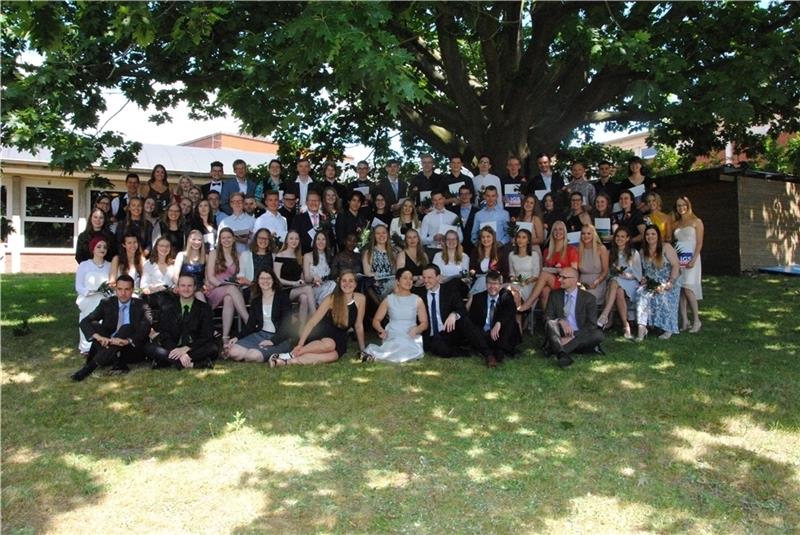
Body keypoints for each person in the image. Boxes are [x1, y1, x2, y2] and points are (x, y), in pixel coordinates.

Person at [270, 271, 366, 366]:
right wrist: (300, 343)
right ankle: (292, 354)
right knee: (330, 344)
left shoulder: (361, 299)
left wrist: (363, 350)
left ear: (355, 284)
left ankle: (286, 362)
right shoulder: (331, 299)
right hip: (322, 334)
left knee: (332, 356)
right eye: (344, 281)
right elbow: (312, 322)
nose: (347, 284)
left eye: (351, 281)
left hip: (339, 338)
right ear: (339, 283)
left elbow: (358, 325)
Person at [71, 274, 152, 381]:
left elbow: (145, 329)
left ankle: (89, 368)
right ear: (115, 289)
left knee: (126, 327)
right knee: (94, 324)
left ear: (132, 290)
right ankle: (117, 362)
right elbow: (85, 321)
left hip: (130, 348)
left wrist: (126, 341)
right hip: (107, 343)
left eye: (127, 289)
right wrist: (98, 337)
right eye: (120, 289)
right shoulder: (107, 303)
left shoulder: (142, 305)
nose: (123, 293)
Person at [420, 264, 500, 367]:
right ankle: (467, 351)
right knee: (439, 348)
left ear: (438, 278)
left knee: (464, 320)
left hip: (450, 329)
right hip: (432, 335)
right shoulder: (420, 294)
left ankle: (488, 355)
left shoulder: (449, 291)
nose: (426, 280)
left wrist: (454, 314)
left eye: (429, 277)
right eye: (424, 277)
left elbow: (462, 309)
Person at [145, 275, 217, 370]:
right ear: (178, 288)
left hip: (194, 347)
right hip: (173, 346)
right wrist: (176, 350)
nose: (186, 289)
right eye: (183, 286)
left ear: (195, 287)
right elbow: (164, 334)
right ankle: (194, 364)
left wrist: (187, 348)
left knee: (212, 348)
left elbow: (206, 335)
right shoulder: (168, 308)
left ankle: (168, 362)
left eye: (189, 286)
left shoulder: (205, 308)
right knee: (149, 348)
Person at [226, 269, 294, 362]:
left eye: (268, 278)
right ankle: (255, 350)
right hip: (260, 334)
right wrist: (237, 337)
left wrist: (273, 341)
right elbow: (250, 325)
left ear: (273, 280)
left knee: (252, 356)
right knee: (233, 352)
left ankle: (258, 352)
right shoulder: (256, 301)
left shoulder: (282, 298)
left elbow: (287, 325)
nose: (265, 281)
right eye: (262, 278)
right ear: (257, 281)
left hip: (280, 337)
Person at [362, 268, 428, 363]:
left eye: (410, 278)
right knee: (397, 343)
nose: (408, 281)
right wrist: (381, 330)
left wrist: (416, 329)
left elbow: (424, 323)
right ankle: (378, 354)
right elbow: (376, 320)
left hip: (410, 333)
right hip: (393, 333)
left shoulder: (417, 300)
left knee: (408, 346)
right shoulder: (389, 299)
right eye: (405, 278)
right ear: (397, 281)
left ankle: (376, 357)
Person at [543, 267, 604, 368]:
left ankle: (558, 349)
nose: (559, 280)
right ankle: (563, 352)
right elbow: (547, 316)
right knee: (551, 323)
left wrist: (573, 336)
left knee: (598, 334)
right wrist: (560, 321)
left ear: (575, 280)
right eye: (559, 277)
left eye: (563, 277)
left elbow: (591, 325)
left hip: (579, 335)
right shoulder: (555, 295)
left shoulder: (589, 298)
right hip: (560, 333)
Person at [518, 220, 579, 313]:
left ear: (565, 232)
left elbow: (574, 272)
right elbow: (544, 268)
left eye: (560, 229)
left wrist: (561, 270)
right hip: (551, 281)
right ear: (552, 232)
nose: (558, 232)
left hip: (566, 281)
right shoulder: (547, 251)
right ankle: (548, 320)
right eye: (555, 230)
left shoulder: (571, 250)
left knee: (544, 275)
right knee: (544, 291)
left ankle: (528, 304)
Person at [205, 228, 250, 345]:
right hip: (214, 288)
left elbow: (240, 276)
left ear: (234, 239)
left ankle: (225, 338)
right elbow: (210, 277)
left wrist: (236, 282)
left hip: (231, 291)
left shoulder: (238, 256)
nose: (226, 240)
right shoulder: (213, 253)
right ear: (219, 240)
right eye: (223, 238)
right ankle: (249, 322)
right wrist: (223, 285)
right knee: (230, 290)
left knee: (229, 298)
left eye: (229, 237)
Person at [636, 225, 681, 340]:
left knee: (663, 297)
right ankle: (642, 328)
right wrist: (644, 279)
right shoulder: (642, 251)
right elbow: (645, 271)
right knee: (641, 294)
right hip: (651, 282)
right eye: (647, 234)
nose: (650, 236)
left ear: (658, 236)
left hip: (667, 281)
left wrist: (670, 282)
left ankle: (668, 328)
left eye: (653, 234)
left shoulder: (666, 247)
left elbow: (676, 265)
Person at [467, 270, 522, 363]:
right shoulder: (478, 298)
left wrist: (498, 322)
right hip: (484, 335)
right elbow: (473, 321)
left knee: (511, 323)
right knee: (471, 327)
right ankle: (489, 354)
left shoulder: (506, 295)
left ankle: (497, 352)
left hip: (500, 334)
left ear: (500, 285)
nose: (492, 287)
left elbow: (511, 310)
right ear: (486, 284)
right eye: (489, 283)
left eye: (495, 283)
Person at [597, 227, 642, 338]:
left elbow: (638, 275)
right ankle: (626, 326)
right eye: (617, 236)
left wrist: (626, 276)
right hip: (616, 284)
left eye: (622, 236)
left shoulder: (633, 253)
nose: (619, 238)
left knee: (615, 281)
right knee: (618, 290)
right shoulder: (610, 252)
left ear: (627, 239)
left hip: (631, 282)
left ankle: (605, 314)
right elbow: (608, 272)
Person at [75, 237, 112, 354]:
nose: (102, 249)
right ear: (93, 249)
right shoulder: (84, 265)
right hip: (89, 298)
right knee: (88, 319)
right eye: (99, 247)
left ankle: (101, 344)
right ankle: (86, 346)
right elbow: (79, 285)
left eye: (105, 247)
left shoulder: (110, 265)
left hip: (104, 299)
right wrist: (88, 292)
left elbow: (113, 283)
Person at [673, 195, 704, 333]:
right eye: (678, 205)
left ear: (688, 205)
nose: (681, 208)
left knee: (688, 288)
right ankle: (685, 320)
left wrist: (693, 259)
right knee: (680, 289)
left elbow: (699, 243)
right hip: (679, 258)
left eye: (683, 205)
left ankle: (697, 320)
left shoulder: (696, 222)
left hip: (692, 258)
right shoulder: (676, 224)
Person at [274, 230, 316, 324]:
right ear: (287, 241)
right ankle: (315, 317)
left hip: (296, 289)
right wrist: (294, 283)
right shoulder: (280, 255)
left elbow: (300, 277)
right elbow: (277, 279)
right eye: (291, 238)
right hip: (283, 290)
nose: (294, 241)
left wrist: (308, 280)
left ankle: (300, 330)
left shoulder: (298, 257)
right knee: (308, 289)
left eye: (296, 238)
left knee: (304, 298)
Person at [507, 228, 542, 332]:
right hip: (516, 283)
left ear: (528, 240)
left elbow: (536, 275)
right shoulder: (511, 255)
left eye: (524, 237)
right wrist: (516, 281)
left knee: (516, 293)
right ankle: (517, 326)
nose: (520, 240)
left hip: (530, 284)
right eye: (518, 237)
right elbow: (512, 274)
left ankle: (519, 328)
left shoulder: (534, 255)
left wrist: (525, 282)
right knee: (511, 292)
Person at [141, 236, 178, 325]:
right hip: (153, 295)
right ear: (156, 247)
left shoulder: (173, 265)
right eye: (161, 246)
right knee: (166, 303)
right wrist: (158, 288)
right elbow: (144, 287)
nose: (164, 248)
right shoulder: (148, 264)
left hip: (170, 295)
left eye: (167, 246)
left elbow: (175, 283)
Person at [362, 224, 396, 306]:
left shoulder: (393, 252)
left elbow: (395, 272)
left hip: (391, 285)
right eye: (378, 233)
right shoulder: (368, 252)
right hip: (376, 285)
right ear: (374, 236)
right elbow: (367, 272)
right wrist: (381, 277)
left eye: (384, 233)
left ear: (387, 235)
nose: (381, 235)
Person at [469, 225, 508, 295]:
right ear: (480, 239)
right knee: (482, 280)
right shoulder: (475, 252)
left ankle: (472, 298)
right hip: (479, 281)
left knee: (484, 280)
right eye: (483, 237)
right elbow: (472, 269)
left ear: (493, 237)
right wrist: (473, 272)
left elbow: (505, 272)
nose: (485, 239)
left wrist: (495, 274)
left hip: (495, 283)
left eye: (488, 236)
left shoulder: (500, 252)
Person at [577, 224, 609, 305]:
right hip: (582, 283)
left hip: (598, 283)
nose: (585, 236)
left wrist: (596, 282)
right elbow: (576, 270)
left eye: (588, 233)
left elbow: (605, 271)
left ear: (593, 235)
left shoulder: (601, 248)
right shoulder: (578, 250)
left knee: (588, 298)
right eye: (583, 233)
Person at [303, 230, 337, 305]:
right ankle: (321, 307)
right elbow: (306, 278)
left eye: (323, 239)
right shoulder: (307, 256)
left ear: (326, 242)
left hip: (327, 286)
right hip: (313, 288)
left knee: (334, 285)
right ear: (315, 241)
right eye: (318, 239)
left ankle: (323, 308)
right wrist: (314, 278)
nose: (320, 242)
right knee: (332, 286)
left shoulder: (329, 257)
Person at [432, 229, 470, 294]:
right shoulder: (438, 256)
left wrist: (446, 278)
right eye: (448, 239)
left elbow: (465, 276)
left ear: (458, 241)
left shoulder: (464, 257)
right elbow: (436, 275)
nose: (451, 241)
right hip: (443, 287)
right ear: (445, 241)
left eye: (454, 239)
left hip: (459, 288)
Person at [174, 230, 207, 302]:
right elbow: (175, 275)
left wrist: (207, 286)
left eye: (199, 240)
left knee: (199, 295)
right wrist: (176, 286)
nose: (196, 242)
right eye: (194, 239)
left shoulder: (205, 257)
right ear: (189, 240)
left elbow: (206, 276)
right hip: (184, 286)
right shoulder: (181, 255)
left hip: (199, 287)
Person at [290, 190, 327, 254]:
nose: (313, 203)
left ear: (320, 203)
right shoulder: (298, 218)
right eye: (311, 200)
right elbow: (294, 237)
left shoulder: (325, 218)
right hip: (304, 254)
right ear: (306, 202)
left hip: (323, 254)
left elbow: (330, 237)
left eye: (316, 200)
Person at [395, 228, 428, 295]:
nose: (412, 240)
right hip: (408, 288)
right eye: (409, 237)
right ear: (406, 240)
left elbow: (428, 272)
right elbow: (400, 276)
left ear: (418, 239)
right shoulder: (402, 255)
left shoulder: (424, 255)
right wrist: (418, 278)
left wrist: (423, 279)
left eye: (414, 237)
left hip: (425, 287)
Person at [449, 184, 479, 255]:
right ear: (459, 196)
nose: (464, 196)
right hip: (456, 246)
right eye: (461, 194)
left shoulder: (477, 211)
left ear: (471, 195)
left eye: (466, 194)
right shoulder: (452, 210)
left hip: (473, 247)